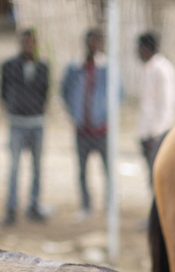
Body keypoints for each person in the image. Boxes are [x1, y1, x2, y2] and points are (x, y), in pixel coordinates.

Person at [0, 28, 49, 226]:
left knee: (37, 167)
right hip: (17, 123)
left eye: (31, 42)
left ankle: (34, 206)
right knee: (14, 168)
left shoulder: (43, 67)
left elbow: (45, 92)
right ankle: (11, 209)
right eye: (25, 42)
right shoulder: (9, 66)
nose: (28, 45)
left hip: (37, 123)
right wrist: (15, 108)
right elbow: (4, 92)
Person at [62, 29, 110, 220]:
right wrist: (74, 114)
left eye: (97, 41)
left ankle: (109, 206)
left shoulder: (107, 68)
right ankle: (86, 206)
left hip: (102, 129)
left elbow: (118, 94)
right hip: (82, 130)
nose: (93, 45)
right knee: (82, 172)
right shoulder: (75, 67)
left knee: (107, 170)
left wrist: (105, 114)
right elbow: (65, 91)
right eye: (91, 41)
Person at [136, 31, 175, 191]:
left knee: (158, 176)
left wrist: (158, 131)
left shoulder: (162, 69)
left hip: (157, 133)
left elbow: (168, 102)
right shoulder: (150, 68)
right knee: (151, 176)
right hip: (148, 131)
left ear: (146, 48)